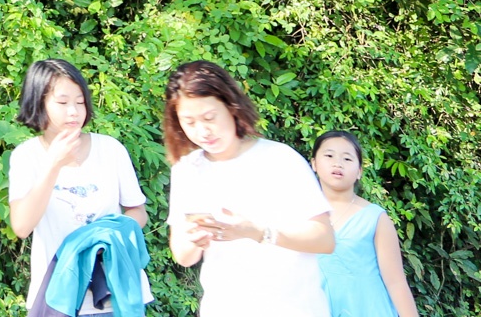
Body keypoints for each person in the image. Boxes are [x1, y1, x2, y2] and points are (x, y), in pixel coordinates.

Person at [163, 60, 334, 317]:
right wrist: (195, 239)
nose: (203, 131)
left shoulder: (279, 159)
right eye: (189, 122)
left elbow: (324, 239)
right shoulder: (187, 170)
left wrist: (258, 232)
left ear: (231, 107)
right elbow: (183, 256)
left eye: (210, 117)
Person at [7, 59, 151, 314]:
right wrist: (53, 165)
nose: (73, 111)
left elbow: (137, 212)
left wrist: (106, 234)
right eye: (62, 103)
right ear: (38, 102)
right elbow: (21, 226)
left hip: (114, 292)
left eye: (80, 102)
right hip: (57, 294)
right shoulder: (26, 156)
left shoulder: (110, 149)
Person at [312, 130, 420, 317]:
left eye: (347, 159)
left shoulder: (375, 218)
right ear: (313, 163)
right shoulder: (299, 213)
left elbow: (396, 282)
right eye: (329, 155)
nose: (337, 163)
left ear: (359, 171)